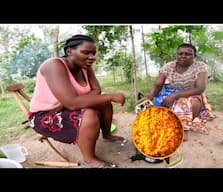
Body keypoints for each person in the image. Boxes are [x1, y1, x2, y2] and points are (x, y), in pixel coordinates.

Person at [28, 34, 126, 168]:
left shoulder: (85, 67)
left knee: (104, 103)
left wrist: (67, 102)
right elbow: (73, 103)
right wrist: (111, 96)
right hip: (45, 115)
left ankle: (107, 134)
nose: (92, 57)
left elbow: (96, 90)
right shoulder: (53, 65)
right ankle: (90, 159)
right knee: (90, 114)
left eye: (93, 53)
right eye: (86, 52)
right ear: (69, 52)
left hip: (65, 107)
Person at [145, 43, 213, 138]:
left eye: (188, 54)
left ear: (194, 56)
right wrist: (151, 95)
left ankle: (183, 128)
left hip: (192, 93)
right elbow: (158, 84)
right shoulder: (169, 66)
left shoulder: (200, 67)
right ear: (176, 55)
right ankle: (168, 123)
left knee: (190, 103)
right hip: (170, 92)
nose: (183, 56)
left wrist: (175, 96)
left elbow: (200, 88)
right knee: (154, 111)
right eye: (180, 54)